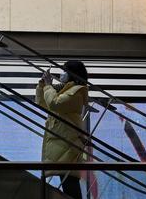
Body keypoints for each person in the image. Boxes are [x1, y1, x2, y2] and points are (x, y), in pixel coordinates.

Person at [36, 60, 89, 199]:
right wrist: (43, 85)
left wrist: (48, 85)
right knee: (68, 184)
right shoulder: (63, 90)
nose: (62, 73)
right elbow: (43, 103)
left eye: (65, 70)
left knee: (70, 185)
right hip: (62, 144)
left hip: (67, 145)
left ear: (73, 74)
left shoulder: (76, 92)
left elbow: (54, 103)